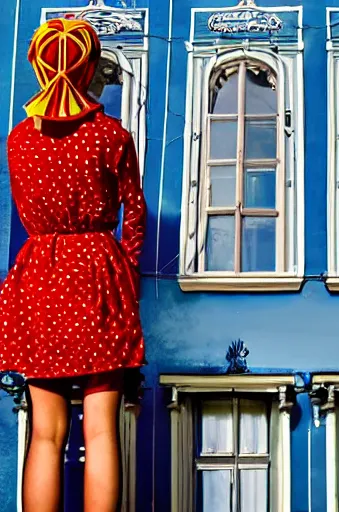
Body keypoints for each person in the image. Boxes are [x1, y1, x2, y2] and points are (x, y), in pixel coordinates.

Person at [0, 18, 146, 512]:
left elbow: (26, 211)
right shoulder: (111, 136)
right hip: (96, 272)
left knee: (45, 432)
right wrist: (125, 275)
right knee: (102, 430)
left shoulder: (18, 140)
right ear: (86, 70)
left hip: (39, 274)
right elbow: (136, 214)